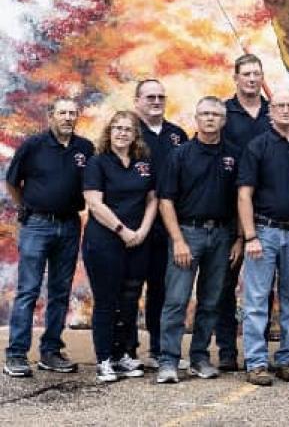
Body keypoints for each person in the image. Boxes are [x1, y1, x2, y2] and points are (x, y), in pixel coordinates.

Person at [4, 98, 93, 378]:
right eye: (62, 112)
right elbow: (11, 181)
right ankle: (16, 354)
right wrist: (26, 208)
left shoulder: (85, 148)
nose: (68, 117)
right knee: (28, 290)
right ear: (50, 115)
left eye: (72, 113)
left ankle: (51, 351)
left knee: (59, 292)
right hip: (37, 225)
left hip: (69, 226)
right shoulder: (33, 146)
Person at [155, 97, 241, 384]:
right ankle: (168, 360)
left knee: (211, 300)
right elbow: (165, 201)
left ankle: (199, 357)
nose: (210, 119)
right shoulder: (180, 155)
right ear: (196, 118)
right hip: (187, 233)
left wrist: (239, 238)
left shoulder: (233, 155)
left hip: (221, 234)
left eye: (216, 114)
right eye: (204, 113)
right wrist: (178, 240)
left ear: (224, 120)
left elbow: (242, 199)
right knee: (177, 300)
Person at [236, 88, 289, 385]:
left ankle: (287, 359)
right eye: (279, 105)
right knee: (257, 299)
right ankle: (256, 362)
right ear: (270, 111)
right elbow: (244, 195)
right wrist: (250, 236)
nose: (285, 110)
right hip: (264, 231)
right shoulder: (257, 146)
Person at [81, 111, 159, 383]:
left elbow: (152, 199)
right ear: (109, 131)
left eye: (127, 129)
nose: (122, 133)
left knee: (129, 301)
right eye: (117, 128)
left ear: (135, 134)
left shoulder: (143, 163)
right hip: (105, 241)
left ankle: (122, 354)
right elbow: (94, 203)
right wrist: (122, 231)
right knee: (106, 301)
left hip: (138, 240)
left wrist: (143, 231)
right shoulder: (98, 162)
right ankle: (104, 359)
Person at [216, 53, 270, 370]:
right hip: (228, 209)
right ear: (235, 77)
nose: (252, 79)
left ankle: (258, 352)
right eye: (247, 74)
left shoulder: (273, 113)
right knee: (226, 284)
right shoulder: (224, 113)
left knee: (263, 288)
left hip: (267, 211)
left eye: (257, 74)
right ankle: (226, 349)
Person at [132, 79, 188, 370]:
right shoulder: (127, 133)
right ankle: (126, 351)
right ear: (137, 100)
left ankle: (158, 348)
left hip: (168, 225)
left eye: (160, 97)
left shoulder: (177, 135)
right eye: (150, 96)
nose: (156, 101)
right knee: (129, 289)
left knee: (161, 290)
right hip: (135, 224)